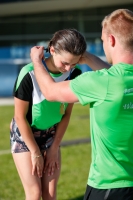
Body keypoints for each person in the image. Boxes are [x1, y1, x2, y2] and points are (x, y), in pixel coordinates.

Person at [30, 9, 133, 200]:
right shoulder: (117, 80)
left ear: (111, 40)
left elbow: (51, 92)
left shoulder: (101, 82)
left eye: (103, 40)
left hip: (109, 186)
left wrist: (37, 61)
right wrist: (87, 58)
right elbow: (118, 74)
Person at [10, 29, 88, 200]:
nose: (68, 68)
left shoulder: (75, 74)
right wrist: (35, 152)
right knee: (35, 194)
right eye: (65, 62)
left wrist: (53, 149)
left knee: (50, 195)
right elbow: (19, 117)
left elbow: (66, 114)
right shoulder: (28, 73)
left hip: (51, 135)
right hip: (25, 135)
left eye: (73, 63)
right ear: (52, 50)